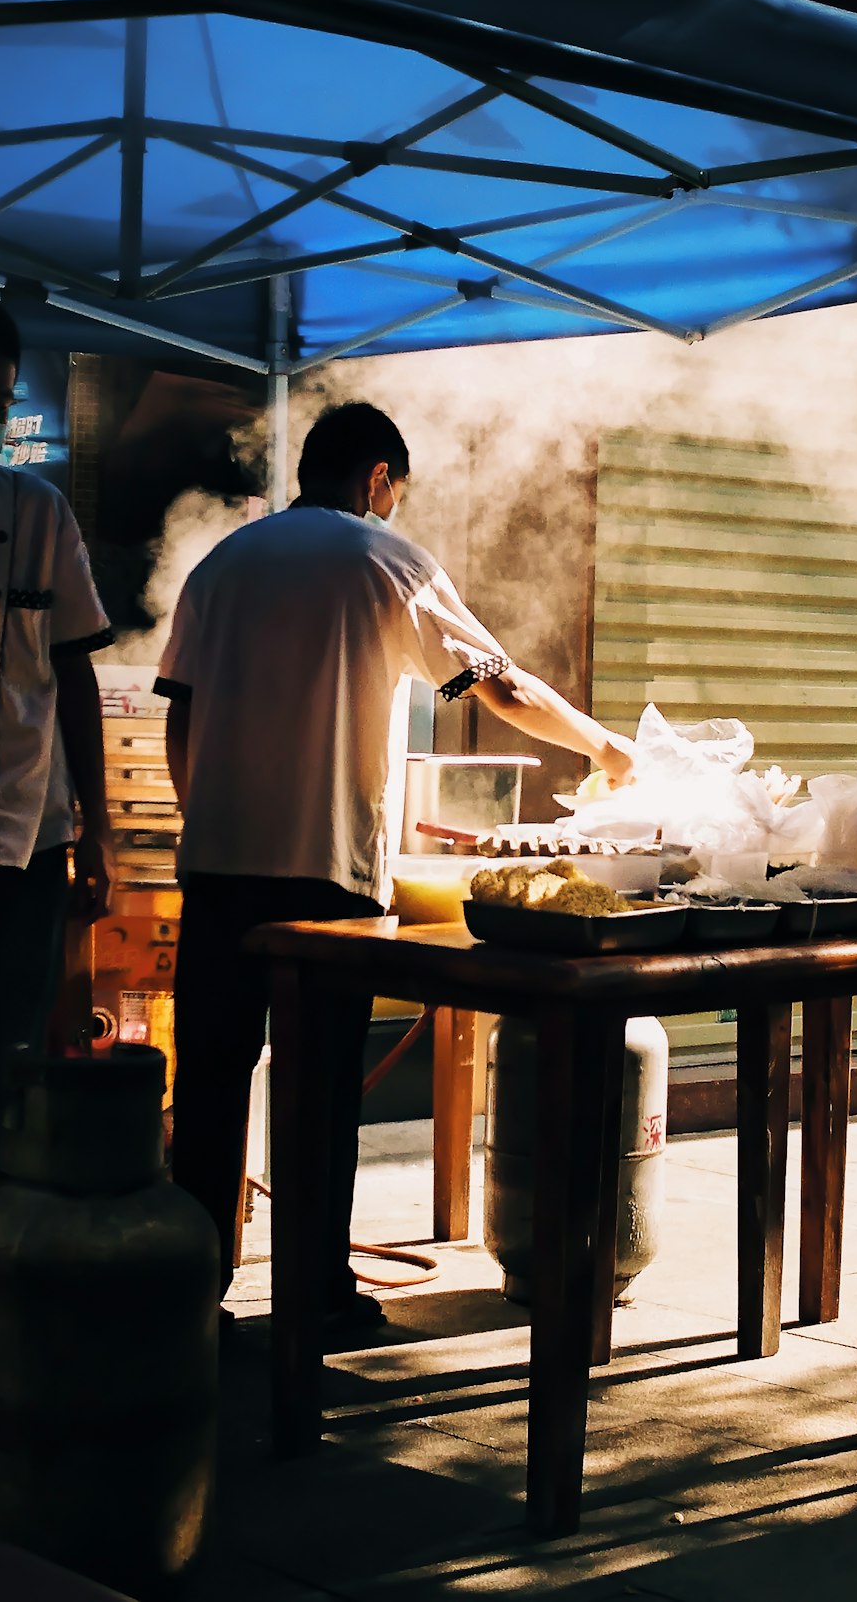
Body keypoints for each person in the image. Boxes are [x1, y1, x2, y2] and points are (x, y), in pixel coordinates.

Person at [154, 400, 635, 1336]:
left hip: (215, 867)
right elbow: (490, 684)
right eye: (395, 492)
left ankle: (193, 1297)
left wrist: (203, 814)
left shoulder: (225, 562)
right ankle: (313, 1292)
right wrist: (601, 744)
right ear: (378, 478)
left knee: (212, 1081)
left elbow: (179, 710)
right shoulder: (386, 563)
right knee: (320, 1086)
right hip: (323, 875)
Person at [0, 300, 114, 1174]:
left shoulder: (37, 512)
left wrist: (98, 830)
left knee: (3, 1056)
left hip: (23, 835)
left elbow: (75, 675)